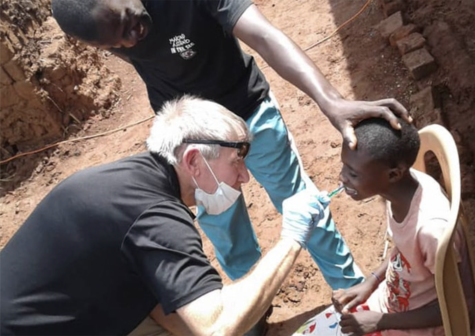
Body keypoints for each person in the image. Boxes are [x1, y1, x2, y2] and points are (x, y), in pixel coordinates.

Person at [51, 0, 411, 288]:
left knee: (299, 204)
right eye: (114, 42)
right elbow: (123, 40)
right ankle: (252, 306)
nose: (130, 40)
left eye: (128, 23)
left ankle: (349, 288)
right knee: (224, 227)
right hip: (190, 139)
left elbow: (265, 36)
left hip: (249, 112)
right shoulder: (108, 28)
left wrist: (330, 100)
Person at [1, 96, 332, 336]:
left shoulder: (135, 179)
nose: (244, 176)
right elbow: (216, 327)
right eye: (236, 161)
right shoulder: (155, 215)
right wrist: (292, 238)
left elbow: (160, 299)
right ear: (193, 161)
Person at [331, 118, 473, 335]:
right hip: (391, 303)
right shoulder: (400, 191)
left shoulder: (431, 231)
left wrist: (381, 322)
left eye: (353, 173)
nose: (342, 178)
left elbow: (464, 306)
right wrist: (372, 281)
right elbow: (404, 251)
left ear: (393, 174)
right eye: (344, 167)